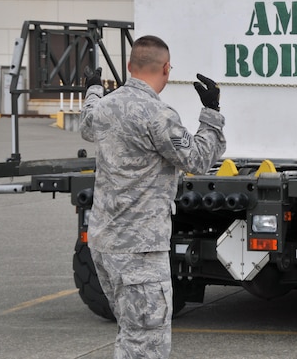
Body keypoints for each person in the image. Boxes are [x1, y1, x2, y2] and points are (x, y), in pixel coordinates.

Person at [79, 35, 226, 359]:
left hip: (105, 245)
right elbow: (198, 159)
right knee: (146, 345)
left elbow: (87, 123)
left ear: (130, 67)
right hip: (140, 252)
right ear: (166, 68)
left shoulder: (105, 107)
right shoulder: (157, 114)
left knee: (130, 334)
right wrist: (211, 111)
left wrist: (92, 89)